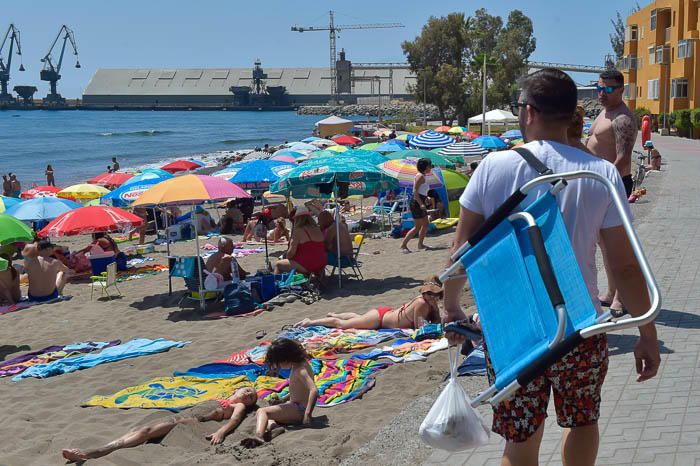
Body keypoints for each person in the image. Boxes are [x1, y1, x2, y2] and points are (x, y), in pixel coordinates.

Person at [443, 68, 660, 466]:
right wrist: (646, 330)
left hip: (515, 332)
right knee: (582, 423)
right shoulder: (602, 174)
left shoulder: (494, 167)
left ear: (528, 112)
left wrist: (451, 307)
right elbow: (624, 266)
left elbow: (461, 252)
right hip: (581, 326)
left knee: (521, 441)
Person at [61, 386, 257, 461]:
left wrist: (221, 432)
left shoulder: (236, 406)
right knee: (139, 429)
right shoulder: (223, 397)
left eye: (252, 397)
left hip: (190, 421)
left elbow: (235, 421)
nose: (248, 395)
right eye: (247, 390)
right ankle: (101, 449)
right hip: (182, 415)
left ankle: (92, 453)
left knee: (145, 431)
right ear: (237, 389)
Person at [586, 69, 637, 316]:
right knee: (604, 245)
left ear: (620, 90)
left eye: (607, 89)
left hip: (613, 185)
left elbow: (622, 158)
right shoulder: (604, 113)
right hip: (598, 185)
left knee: (616, 244)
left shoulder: (622, 119)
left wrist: (604, 182)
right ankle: (611, 291)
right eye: (599, 88)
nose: (601, 94)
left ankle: (621, 297)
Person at [241, 338, 317, 448]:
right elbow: (301, 390)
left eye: (279, 364)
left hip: (299, 410)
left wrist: (307, 414)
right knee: (269, 413)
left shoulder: (300, 370)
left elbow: (313, 390)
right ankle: (274, 428)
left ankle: (258, 436)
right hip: (296, 406)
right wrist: (284, 399)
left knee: (262, 411)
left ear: (285, 359)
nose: (279, 367)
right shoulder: (301, 363)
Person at [296, 276, 442, 329]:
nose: (433, 297)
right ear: (424, 292)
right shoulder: (422, 303)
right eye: (430, 294)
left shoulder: (427, 303)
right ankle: (310, 322)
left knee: (358, 317)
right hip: (379, 319)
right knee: (342, 325)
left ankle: (336, 314)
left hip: (384, 315)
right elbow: (420, 328)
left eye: (435, 295)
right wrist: (436, 313)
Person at [273, 206, 327, 277]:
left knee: (278, 264)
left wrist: (286, 256)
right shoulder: (317, 229)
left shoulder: (298, 231)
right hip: (321, 262)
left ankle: (275, 285)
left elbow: (291, 253)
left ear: (297, 219)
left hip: (308, 264)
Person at [400, 158, 433, 253]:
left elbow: (421, 191)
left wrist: (426, 198)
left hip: (420, 201)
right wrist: (421, 203)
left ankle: (420, 244)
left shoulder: (423, 176)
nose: (430, 167)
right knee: (417, 226)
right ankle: (403, 245)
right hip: (416, 203)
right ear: (425, 167)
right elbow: (415, 191)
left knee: (426, 224)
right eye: (429, 166)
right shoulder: (420, 176)